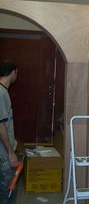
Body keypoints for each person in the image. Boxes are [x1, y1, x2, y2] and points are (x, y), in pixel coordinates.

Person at [0, 60, 18, 204]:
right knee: (8, 192)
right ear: (13, 72)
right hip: (3, 154)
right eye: (17, 73)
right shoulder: (1, 94)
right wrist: (10, 152)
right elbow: (1, 126)